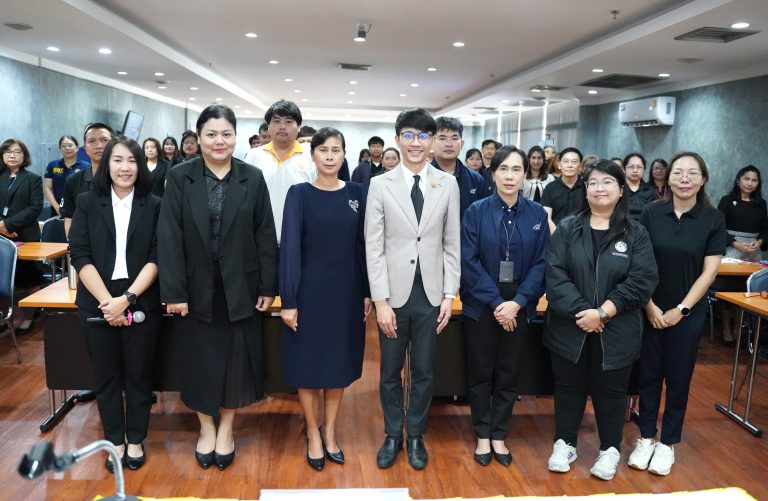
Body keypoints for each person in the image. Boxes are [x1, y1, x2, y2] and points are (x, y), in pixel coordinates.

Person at [159, 104, 278, 471]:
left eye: (226, 133)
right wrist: (174, 292)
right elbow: (169, 236)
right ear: (199, 138)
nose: (219, 141)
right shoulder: (180, 176)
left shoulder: (252, 178)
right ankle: (205, 428)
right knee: (199, 361)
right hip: (194, 289)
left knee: (234, 362)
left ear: (236, 137)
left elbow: (265, 234)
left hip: (240, 286)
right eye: (211, 134)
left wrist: (267, 286)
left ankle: (226, 428)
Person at [544, 159, 658, 481]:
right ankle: (565, 443)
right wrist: (585, 313)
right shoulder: (567, 228)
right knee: (568, 387)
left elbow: (642, 280)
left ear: (621, 190)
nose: (599, 188)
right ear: (585, 190)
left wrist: (604, 312)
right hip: (569, 326)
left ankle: (610, 449)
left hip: (617, 329)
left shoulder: (636, 233)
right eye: (593, 183)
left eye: (607, 182)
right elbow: (555, 276)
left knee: (612, 391)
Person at [365, 108, 460, 470]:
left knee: (424, 371)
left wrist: (449, 295)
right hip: (393, 294)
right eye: (408, 135)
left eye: (422, 136)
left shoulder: (447, 184)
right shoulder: (380, 184)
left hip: (430, 295)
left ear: (431, 141)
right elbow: (374, 246)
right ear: (397, 139)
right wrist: (381, 301)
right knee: (390, 371)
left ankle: (416, 434)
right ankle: (393, 434)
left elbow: (452, 244)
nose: (416, 143)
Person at [68, 136, 162, 473]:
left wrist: (127, 299)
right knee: (106, 377)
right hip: (98, 299)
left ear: (141, 166)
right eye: (118, 160)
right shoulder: (87, 202)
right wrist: (108, 303)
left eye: (132, 161)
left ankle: (135, 439)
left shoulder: (155, 204)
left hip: (140, 298)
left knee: (139, 375)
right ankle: (115, 441)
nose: (125, 167)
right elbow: (79, 254)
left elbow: (157, 256)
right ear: (106, 164)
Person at [280, 127, 372, 471]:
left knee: (338, 365)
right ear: (313, 155)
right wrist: (289, 300)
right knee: (308, 365)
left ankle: (330, 431)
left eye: (336, 150)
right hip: (308, 293)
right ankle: (312, 432)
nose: (330, 156)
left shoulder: (357, 193)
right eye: (323, 150)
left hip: (346, 293)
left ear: (344, 155)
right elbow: (290, 248)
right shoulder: (299, 194)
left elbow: (363, 246)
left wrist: (366, 292)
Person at [629, 152, 725, 476]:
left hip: (688, 314)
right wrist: (650, 306)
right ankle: (645, 437)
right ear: (667, 178)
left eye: (692, 173)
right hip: (649, 309)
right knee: (648, 376)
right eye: (678, 173)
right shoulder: (651, 212)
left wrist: (681, 309)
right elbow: (638, 263)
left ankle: (667, 443)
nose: (685, 179)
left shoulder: (713, 218)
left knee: (678, 379)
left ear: (703, 179)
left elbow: (709, 272)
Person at [460, 145, 549, 467]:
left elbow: (542, 263)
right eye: (503, 169)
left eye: (516, 169)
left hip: (520, 303)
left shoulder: (538, 214)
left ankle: (499, 434)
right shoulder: (476, 211)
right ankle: (482, 434)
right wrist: (499, 304)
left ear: (525, 175)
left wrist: (518, 303)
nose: (510, 176)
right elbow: (469, 262)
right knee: (481, 372)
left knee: (509, 373)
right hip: (483, 302)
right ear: (493, 173)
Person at [244, 100, 316, 244]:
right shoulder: (254, 156)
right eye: (276, 121)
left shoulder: (311, 156)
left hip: (301, 239)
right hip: (260, 240)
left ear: (298, 127)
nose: (282, 127)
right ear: (268, 126)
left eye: (289, 122)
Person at [716, 165, 768, 344]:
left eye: (754, 180)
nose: (750, 183)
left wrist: (759, 242)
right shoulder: (726, 201)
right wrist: (737, 244)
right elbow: (718, 227)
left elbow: (765, 229)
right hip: (731, 249)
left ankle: (739, 326)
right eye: (746, 179)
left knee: (747, 290)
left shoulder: (761, 203)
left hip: (753, 252)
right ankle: (726, 327)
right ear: (738, 181)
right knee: (727, 287)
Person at [0, 138, 44, 334]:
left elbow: (35, 208)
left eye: (17, 152)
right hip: (2, 237)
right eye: (8, 151)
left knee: (29, 279)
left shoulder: (33, 179)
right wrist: (2, 227)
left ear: (24, 156)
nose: (12, 155)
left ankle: (28, 317)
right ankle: (4, 317)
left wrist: (8, 225)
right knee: (2, 279)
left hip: (25, 235)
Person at [62, 123, 114, 236]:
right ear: (85, 148)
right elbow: (69, 218)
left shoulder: (124, 179)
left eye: (104, 140)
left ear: (114, 145)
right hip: (84, 242)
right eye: (92, 141)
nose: (99, 145)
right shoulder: (73, 181)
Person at [431, 117, 488, 218]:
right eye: (442, 138)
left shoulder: (475, 179)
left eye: (454, 138)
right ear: (432, 142)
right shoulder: (421, 177)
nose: (448, 144)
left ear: (461, 144)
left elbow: (484, 216)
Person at [541, 147, 585, 232]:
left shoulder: (587, 187)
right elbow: (547, 218)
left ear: (580, 166)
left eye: (574, 162)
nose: (570, 165)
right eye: (566, 161)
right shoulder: (550, 188)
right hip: (555, 233)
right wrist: (557, 237)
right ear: (559, 165)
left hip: (582, 235)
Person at [44, 135, 87, 215]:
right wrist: (57, 207)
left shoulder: (86, 166)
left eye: (70, 145)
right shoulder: (52, 165)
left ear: (77, 148)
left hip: (80, 207)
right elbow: (47, 188)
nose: (67, 148)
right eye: (63, 146)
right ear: (60, 149)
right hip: (58, 206)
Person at [623, 153, 656, 221]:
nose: (635, 170)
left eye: (639, 167)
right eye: (631, 167)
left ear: (644, 170)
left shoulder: (651, 191)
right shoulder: (618, 189)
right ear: (624, 169)